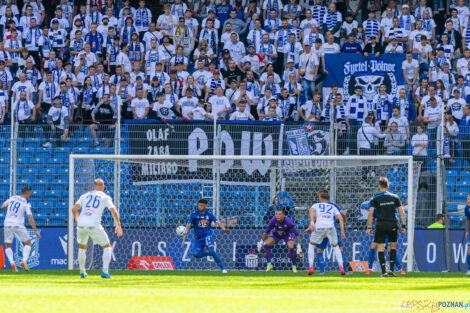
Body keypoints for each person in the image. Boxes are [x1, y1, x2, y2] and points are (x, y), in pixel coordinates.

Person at [72, 179, 123, 278]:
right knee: (107, 246)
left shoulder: (84, 195)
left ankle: (82, 272)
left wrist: (79, 221)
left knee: (82, 247)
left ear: (93, 187)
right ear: (103, 188)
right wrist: (118, 225)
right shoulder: (105, 197)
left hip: (82, 224)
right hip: (94, 224)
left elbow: (74, 209)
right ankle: (105, 272)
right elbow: (114, 211)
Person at [366, 177, 406, 278]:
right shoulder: (395, 197)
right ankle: (391, 270)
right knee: (393, 247)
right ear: (388, 186)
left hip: (381, 225)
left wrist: (369, 227)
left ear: (379, 186)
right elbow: (402, 212)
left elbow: (370, 213)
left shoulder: (375, 198)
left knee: (381, 248)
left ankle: (383, 272)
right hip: (392, 224)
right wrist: (403, 226)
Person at [181, 199, 230, 273]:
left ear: (205, 206)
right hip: (198, 239)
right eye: (199, 205)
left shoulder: (209, 214)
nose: (199, 207)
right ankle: (208, 252)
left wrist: (223, 228)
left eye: (201, 205)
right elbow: (188, 227)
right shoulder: (194, 214)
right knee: (196, 254)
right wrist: (184, 239)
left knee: (212, 251)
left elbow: (218, 222)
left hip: (207, 236)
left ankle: (223, 269)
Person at [304, 189, 346, 276]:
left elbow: (311, 211)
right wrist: (342, 232)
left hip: (319, 227)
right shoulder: (333, 206)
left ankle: (311, 267)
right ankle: (341, 267)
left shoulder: (316, 205)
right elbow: (341, 218)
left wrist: (311, 223)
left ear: (320, 198)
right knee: (335, 246)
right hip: (331, 227)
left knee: (311, 244)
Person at [1, 187, 40, 272]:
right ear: (27, 193)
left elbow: (2, 206)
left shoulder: (12, 198)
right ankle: (23, 261)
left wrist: (11, 212)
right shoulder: (26, 203)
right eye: (29, 194)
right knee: (28, 243)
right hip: (18, 224)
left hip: (7, 223)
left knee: (8, 245)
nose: (29, 196)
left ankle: (12, 263)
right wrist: (35, 230)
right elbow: (30, 218)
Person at [257, 208, 302, 272]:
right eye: (276, 214)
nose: (277, 216)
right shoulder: (273, 220)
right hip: (276, 234)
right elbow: (266, 231)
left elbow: (297, 234)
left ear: (283, 215)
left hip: (287, 234)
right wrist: (261, 242)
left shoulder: (289, 222)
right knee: (266, 244)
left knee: (291, 247)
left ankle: (294, 267)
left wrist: (298, 245)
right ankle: (269, 265)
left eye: (279, 214)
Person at [464, 194, 470, 274]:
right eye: (468, 199)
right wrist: (466, 231)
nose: (468, 200)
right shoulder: (466, 208)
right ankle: (469, 269)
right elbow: (468, 219)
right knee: (469, 251)